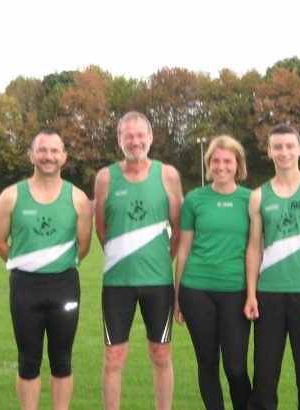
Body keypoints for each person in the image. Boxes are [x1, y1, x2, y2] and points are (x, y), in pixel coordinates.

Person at [0, 130, 93, 410]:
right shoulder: (11, 197)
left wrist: (55, 266)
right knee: (28, 360)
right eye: (42, 150)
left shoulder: (79, 199)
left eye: (54, 151)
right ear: (31, 155)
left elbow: (83, 247)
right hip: (25, 288)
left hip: (65, 286)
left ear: (64, 157)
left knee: (62, 360)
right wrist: (30, 265)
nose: (48, 156)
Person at [93, 111, 183, 410]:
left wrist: (159, 259)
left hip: (158, 282)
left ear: (151, 137)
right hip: (117, 283)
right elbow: (102, 229)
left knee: (160, 353)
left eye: (140, 135)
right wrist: (125, 256)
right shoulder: (105, 177)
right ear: (119, 140)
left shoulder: (167, 175)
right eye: (128, 136)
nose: (135, 141)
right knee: (113, 356)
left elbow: (179, 228)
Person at [243, 123, 300, 409]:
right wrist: (251, 294)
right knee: (265, 377)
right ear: (269, 152)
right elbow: (254, 246)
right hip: (269, 295)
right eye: (278, 147)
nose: (284, 152)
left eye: (289, 146)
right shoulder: (259, 196)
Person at [173, 135, 252, 410]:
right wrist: (177, 297)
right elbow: (184, 249)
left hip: (236, 290)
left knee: (236, 367)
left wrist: (254, 293)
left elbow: (257, 249)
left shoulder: (251, 200)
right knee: (207, 363)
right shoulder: (195, 199)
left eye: (227, 160)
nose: (221, 166)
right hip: (196, 290)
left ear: (237, 164)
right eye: (216, 160)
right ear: (209, 163)